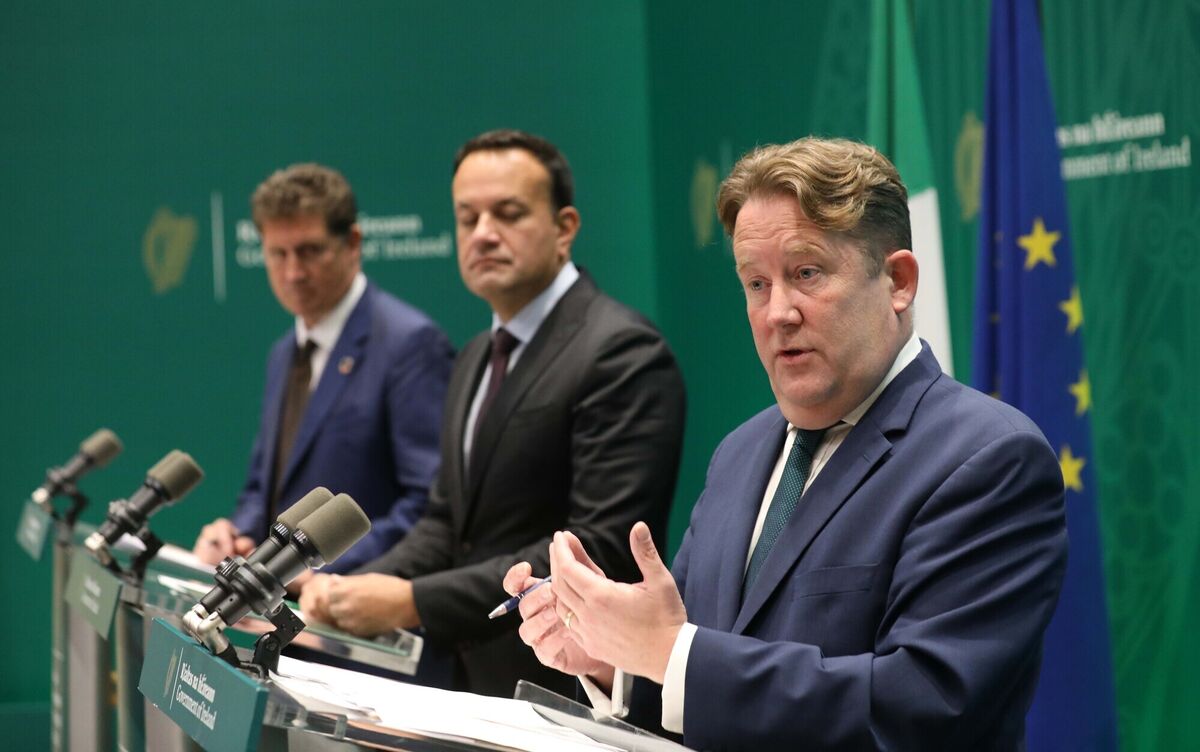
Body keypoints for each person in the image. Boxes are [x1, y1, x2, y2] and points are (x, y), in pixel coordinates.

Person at [505, 137, 1068, 750]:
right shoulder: (740, 454)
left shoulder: (989, 458)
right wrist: (612, 658)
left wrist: (669, 653)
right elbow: (701, 678)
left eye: (807, 273)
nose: (778, 313)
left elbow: (925, 709)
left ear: (899, 281)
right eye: (755, 282)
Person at [298, 130, 687, 698]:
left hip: (570, 693)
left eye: (508, 213)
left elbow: (596, 549)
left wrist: (412, 601)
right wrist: (357, 586)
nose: (483, 234)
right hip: (466, 691)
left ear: (565, 228)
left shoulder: (623, 353)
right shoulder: (478, 354)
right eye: (467, 217)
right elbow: (444, 523)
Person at [193, 163, 453, 574]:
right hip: (289, 622)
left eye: (309, 251)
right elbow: (265, 490)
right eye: (278, 254)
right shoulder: (283, 353)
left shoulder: (410, 343)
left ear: (352, 243)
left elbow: (429, 507)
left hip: (364, 615)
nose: (293, 272)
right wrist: (236, 535)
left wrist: (310, 569)